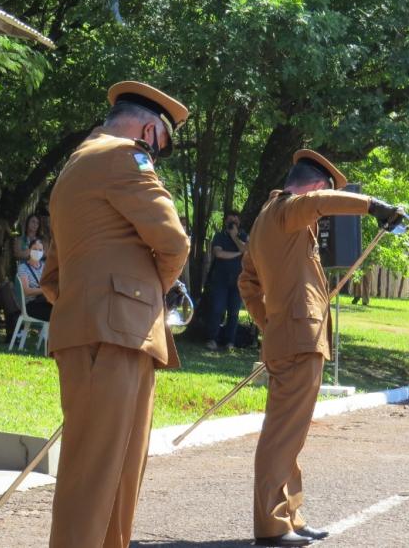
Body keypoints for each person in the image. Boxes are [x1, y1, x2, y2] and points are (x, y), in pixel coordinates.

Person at [41, 81, 190, 548]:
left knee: (111, 472)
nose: (154, 153)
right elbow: (173, 241)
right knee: (102, 473)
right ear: (149, 130)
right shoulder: (123, 156)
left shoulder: (74, 168)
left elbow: (52, 275)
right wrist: (150, 291)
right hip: (117, 332)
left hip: (98, 330)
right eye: (159, 144)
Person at [238, 149, 405, 547]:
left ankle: (290, 516)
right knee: (282, 435)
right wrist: (375, 206)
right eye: (325, 195)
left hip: (291, 336)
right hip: (298, 338)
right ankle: (273, 525)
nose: (323, 211)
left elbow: (248, 283)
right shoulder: (289, 209)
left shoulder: (267, 219)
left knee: (289, 435)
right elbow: (317, 204)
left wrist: (271, 323)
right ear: (315, 186)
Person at [205, 209, 248, 351]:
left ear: (239, 222)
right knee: (217, 310)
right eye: (230, 221)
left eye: (235, 221)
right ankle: (212, 339)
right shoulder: (219, 236)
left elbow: (247, 251)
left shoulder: (243, 236)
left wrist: (235, 237)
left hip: (238, 281)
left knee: (234, 312)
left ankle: (230, 341)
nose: (232, 224)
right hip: (220, 280)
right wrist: (238, 253)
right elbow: (219, 254)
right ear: (225, 222)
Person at [17, 238, 52, 321]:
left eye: (40, 250)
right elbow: (27, 291)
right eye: (35, 249)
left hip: (46, 301)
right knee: (56, 312)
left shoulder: (45, 267)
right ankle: (46, 334)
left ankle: (46, 333)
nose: (37, 252)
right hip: (31, 305)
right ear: (29, 250)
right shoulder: (23, 267)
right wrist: (45, 290)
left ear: (43, 252)